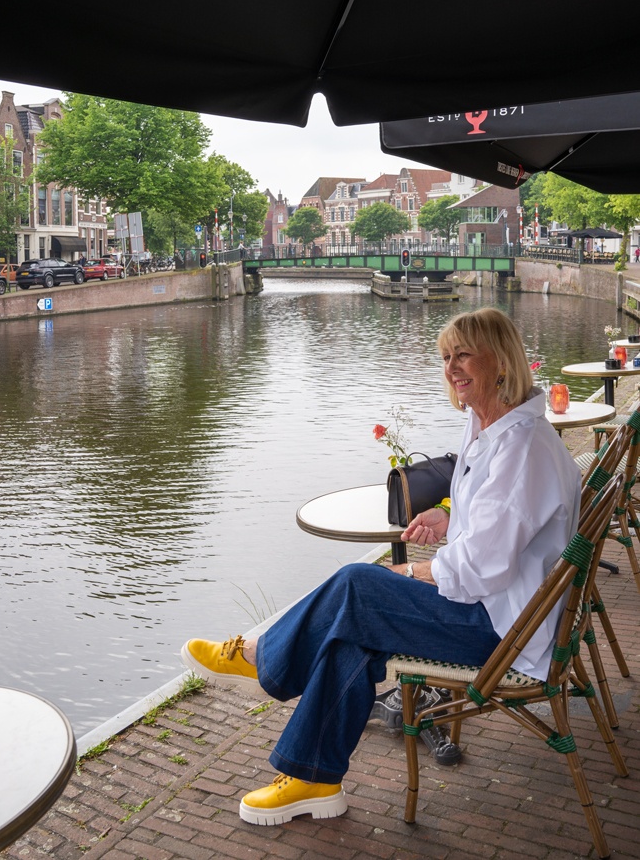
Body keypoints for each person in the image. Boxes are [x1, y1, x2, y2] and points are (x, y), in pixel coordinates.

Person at [180, 308, 581, 828]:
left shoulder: (520, 446)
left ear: (500, 361)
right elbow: (499, 517)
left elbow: (482, 566)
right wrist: (446, 514)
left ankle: (265, 659)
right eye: (445, 357)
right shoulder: (493, 427)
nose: (451, 368)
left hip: (501, 631)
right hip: (505, 610)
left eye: (463, 354)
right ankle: (314, 779)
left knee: (358, 585)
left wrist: (412, 574)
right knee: (352, 630)